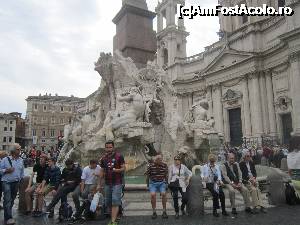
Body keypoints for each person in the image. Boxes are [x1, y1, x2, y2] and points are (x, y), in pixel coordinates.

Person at [100, 140, 125, 225]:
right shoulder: (103, 158)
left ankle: (113, 221)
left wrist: (116, 170)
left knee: (115, 200)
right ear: (105, 148)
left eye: (110, 147)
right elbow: (102, 171)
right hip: (107, 183)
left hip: (117, 182)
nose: (108, 149)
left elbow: (123, 168)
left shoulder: (119, 156)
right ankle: (113, 217)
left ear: (113, 147)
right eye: (107, 147)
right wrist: (99, 184)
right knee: (108, 202)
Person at [0, 144, 24, 225]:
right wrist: (6, 170)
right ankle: (8, 218)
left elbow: (22, 172)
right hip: (6, 182)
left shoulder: (21, 160)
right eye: (18, 149)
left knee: (12, 200)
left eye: (20, 149)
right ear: (14, 150)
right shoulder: (5, 159)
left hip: (16, 182)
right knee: (7, 199)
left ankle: (7, 214)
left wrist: (21, 180)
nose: (20, 150)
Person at [145, 153, 168, 220]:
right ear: (156, 160)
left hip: (161, 183)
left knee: (164, 194)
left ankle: (164, 211)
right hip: (153, 183)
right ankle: (154, 211)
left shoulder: (164, 165)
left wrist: (166, 184)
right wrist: (147, 185)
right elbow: (148, 175)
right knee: (153, 195)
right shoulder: (151, 166)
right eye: (159, 159)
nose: (160, 160)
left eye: (161, 159)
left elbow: (166, 175)